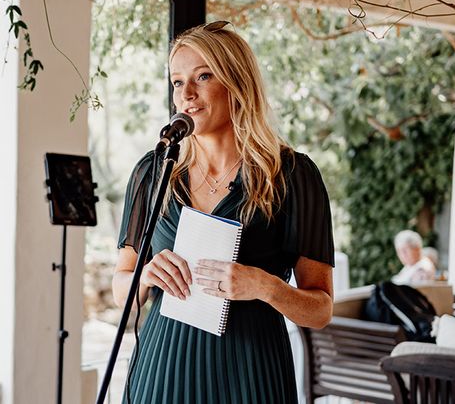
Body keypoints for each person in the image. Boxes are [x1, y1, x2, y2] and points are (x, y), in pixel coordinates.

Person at [114, 21, 335, 403]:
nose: (187, 94)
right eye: (177, 81)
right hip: (162, 368)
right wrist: (145, 275)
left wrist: (265, 286)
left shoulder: (293, 176)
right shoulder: (153, 172)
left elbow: (320, 310)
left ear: (237, 83)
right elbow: (122, 287)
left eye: (203, 76)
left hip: (250, 373)